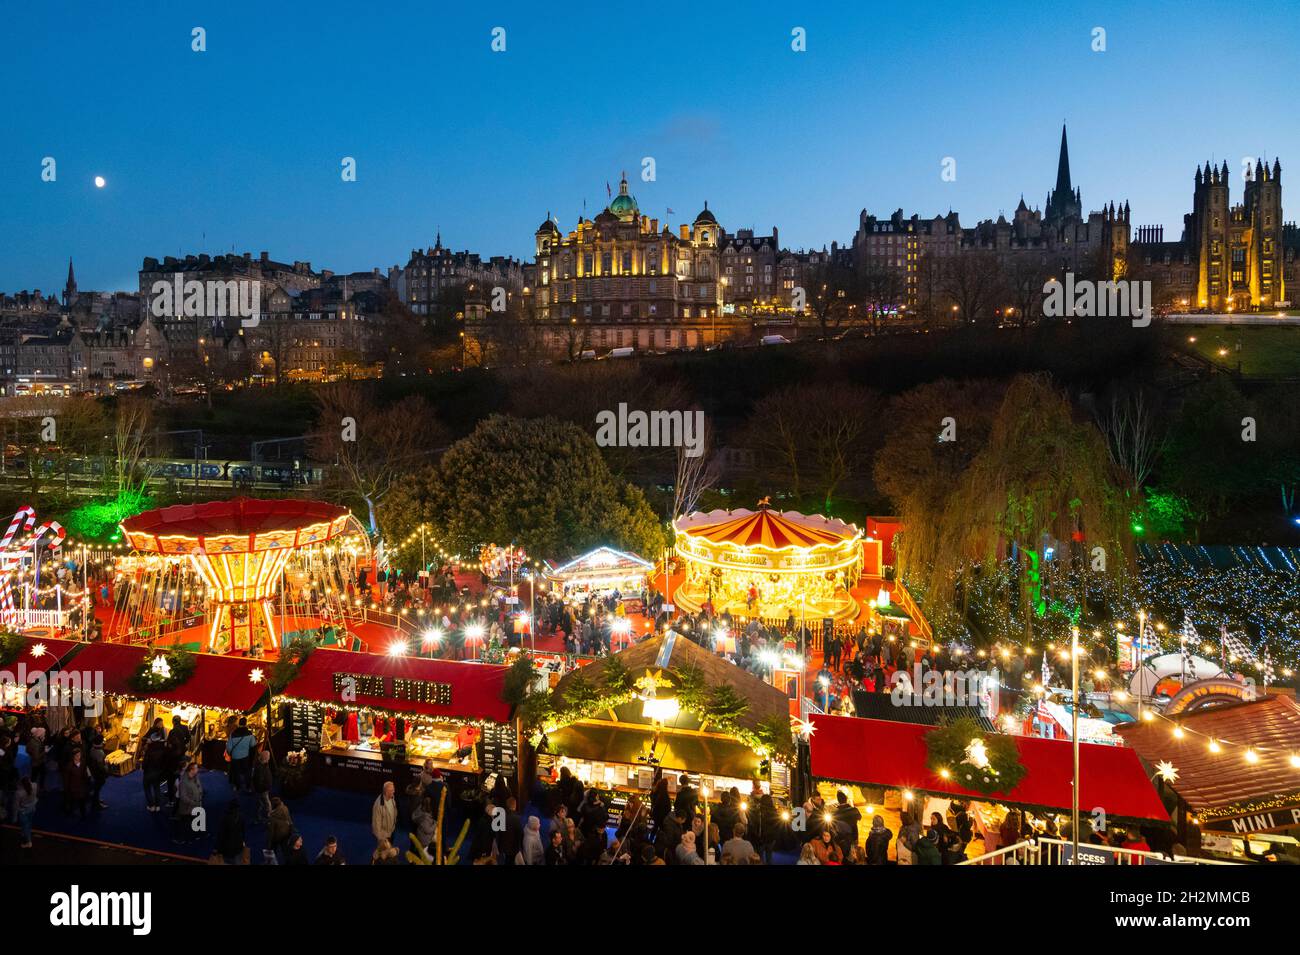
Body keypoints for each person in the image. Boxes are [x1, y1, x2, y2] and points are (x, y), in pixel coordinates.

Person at [175, 761, 203, 843]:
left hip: (195, 805)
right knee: (185, 824)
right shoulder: (184, 782)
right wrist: (194, 802)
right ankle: (182, 839)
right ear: (191, 770)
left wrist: (199, 797)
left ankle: (194, 837)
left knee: (194, 823)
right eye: (196, 768)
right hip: (187, 808)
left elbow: (199, 788)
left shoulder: (196, 777)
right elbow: (183, 797)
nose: (198, 769)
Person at [225, 718, 256, 791]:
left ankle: (237, 786)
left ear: (239, 724)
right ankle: (248, 787)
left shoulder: (233, 734)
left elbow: (229, 747)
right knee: (246, 772)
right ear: (246, 724)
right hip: (245, 756)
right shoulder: (249, 734)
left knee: (236, 772)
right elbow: (253, 744)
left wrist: (231, 754)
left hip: (235, 757)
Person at [61, 748, 91, 818]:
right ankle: (70, 812)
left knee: (82, 803)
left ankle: (83, 815)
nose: (78, 757)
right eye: (77, 755)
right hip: (73, 788)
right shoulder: (69, 766)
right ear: (73, 756)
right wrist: (67, 789)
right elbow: (66, 779)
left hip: (81, 787)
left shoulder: (83, 762)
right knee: (72, 802)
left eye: (79, 755)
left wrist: (87, 782)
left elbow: (85, 774)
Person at [142, 730, 167, 812]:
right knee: (157, 788)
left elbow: (145, 763)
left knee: (147, 788)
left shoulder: (149, 751)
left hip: (148, 772)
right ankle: (157, 806)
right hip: (158, 772)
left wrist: (144, 768)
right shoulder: (163, 750)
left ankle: (151, 805)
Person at [216, 799, 247, 865]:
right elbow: (243, 831)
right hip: (237, 846)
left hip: (228, 848)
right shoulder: (241, 817)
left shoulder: (225, 819)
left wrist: (218, 849)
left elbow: (221, 835)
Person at [371, 781, 398, 849]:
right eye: (392, 790)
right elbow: (376, 824)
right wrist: (381, 839)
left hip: (391, 832)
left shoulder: (392, 798)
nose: (394, 791)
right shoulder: (379, 805)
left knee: (390, 850)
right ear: (386, 792)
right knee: (383, 854)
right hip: (384, 836)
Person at [86, 734, 108, 811]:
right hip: (98, 774)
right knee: (97, 789)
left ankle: (96, 800)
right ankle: (96, 804)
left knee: (96, 788)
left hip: (93, 772)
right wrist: (106, 769)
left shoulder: (92, 749)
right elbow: (101, 766)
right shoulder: (99, 752)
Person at [251, 749, 273, 822]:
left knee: (261, 803)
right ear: (265, 758)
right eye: (268, 757)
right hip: (262, 790)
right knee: (265, 803)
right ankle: (268, 816)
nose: (269, 759)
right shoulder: (260, 768)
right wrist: (264, 788)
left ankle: (259, 816)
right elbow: (259, 781)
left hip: (263, 789)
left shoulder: (262, 764)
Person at [16, 777, 37, 849]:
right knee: (29, 823)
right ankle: (25, 833)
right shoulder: (35, 785)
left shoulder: (19, 793)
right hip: (32, 808)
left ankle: (28, 842)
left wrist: (15, 816)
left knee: (25, 826)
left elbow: (16, 805)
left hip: (24, 811)